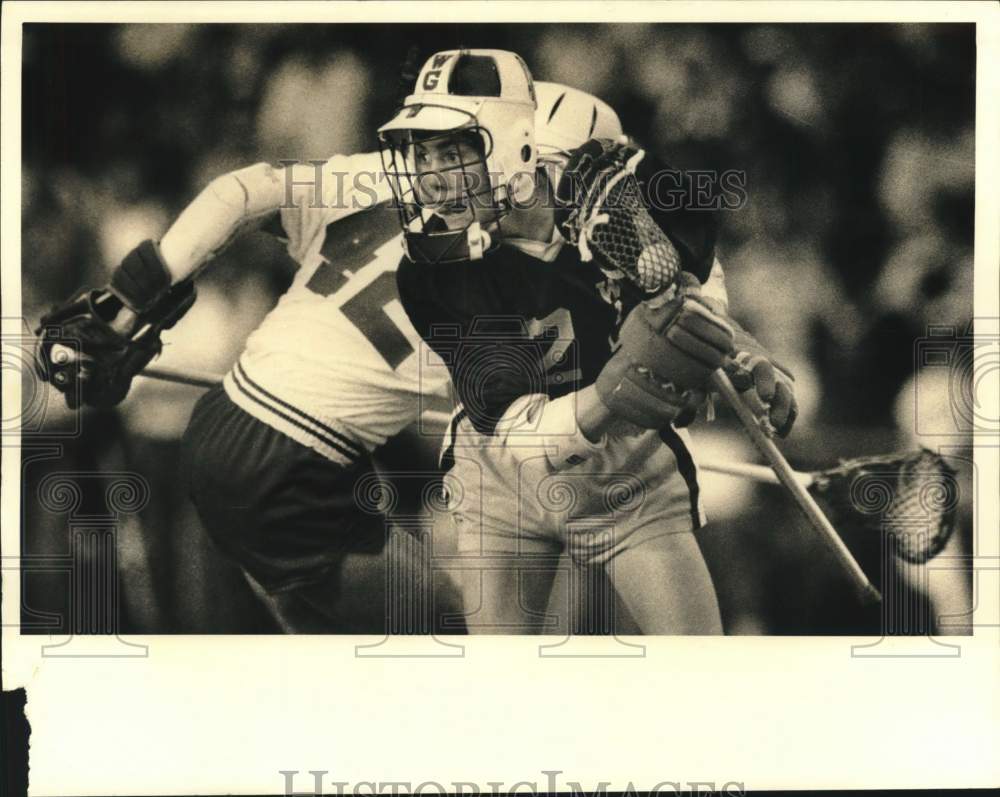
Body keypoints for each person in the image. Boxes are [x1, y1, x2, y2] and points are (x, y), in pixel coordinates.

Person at [34, 73, 632, 635]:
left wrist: (132, 295)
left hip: (226, 424)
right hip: (295, 462)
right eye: (586, 180)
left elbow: (238, 192)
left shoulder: (384, 175)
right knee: (454, 638)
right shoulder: (525, 279)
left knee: (339, 650)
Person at [380, 49, 797, 634]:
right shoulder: (435, 266)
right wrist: (616, 390)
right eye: (425, 156)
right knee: (502, 689)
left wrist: (742, 358)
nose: (432, 180)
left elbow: (688, 297)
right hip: (505, 468)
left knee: (696, 665)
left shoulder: (628, 209)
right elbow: (518, 433)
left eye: (453, 152)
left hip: (626, 469)